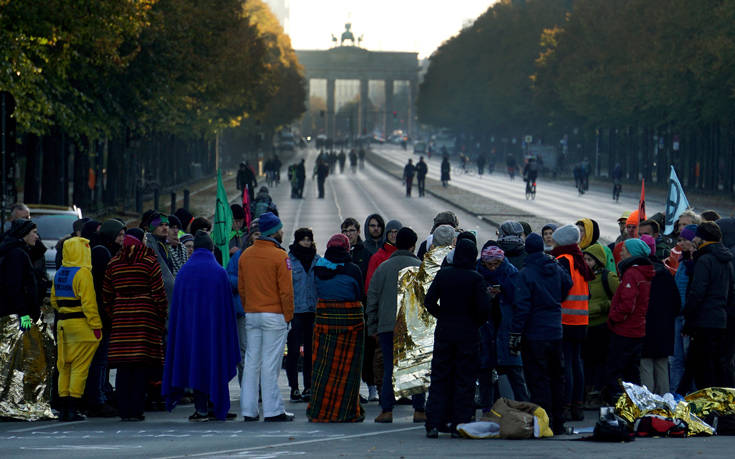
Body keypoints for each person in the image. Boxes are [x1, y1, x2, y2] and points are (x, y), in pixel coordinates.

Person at [162, 231, 240, 421]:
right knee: (217, 364)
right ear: (212, 249)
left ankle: (201, 409)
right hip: (215, 332)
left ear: (194, 248)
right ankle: (218, 406)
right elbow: (227, 307)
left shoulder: (184, 272)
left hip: (191, 332)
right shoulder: (219, 272)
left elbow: (177, 307)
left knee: (196, 365)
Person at [424, 238, 491, 438]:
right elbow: (484, 310)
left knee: (440, 377)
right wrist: (474, 322)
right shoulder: (476, 278)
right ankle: (459, 423)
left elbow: (429, 301)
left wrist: (442, 315)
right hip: (468, 334)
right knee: (465, 379)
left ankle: (434, 422)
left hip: (444, 331)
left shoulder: (443, 275)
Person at [510, 233, 573, 435]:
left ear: (527, 249)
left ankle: (544, 423)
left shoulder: (526, 273)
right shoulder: (554, 267)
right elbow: (568, 284)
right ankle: (559, 422)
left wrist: (516, 332)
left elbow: (522, 307)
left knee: (538, 379)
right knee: (557, 377)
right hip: (555, 329)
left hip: (534, 333)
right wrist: (556, 301)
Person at [103, 228, 168, 421]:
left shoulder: (114, 263)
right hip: (145, 318)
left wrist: (114, 312)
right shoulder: (149, 261)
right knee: (141, 366)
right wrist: (160, 316)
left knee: (124, 367)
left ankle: (124, 410)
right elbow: (159, 293)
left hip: (121, 318)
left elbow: (106, 294)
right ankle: (136, 410)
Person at [239, 212, 295, 422]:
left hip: (252, 314)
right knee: (270, 363)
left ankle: (249, 409)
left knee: (252, 362)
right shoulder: (280, 256)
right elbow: (286, 291)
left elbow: (242, 288)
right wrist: (288, 315)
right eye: (280, 228)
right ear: (274, 231)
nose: (282, 231)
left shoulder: (246, 255)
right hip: (274, 315)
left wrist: (249, 308)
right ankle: (273, 410)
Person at [366, 227, 425, 423]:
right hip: (413, 326)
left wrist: (373, 327)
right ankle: (419, 410)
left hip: (387, 328)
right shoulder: (420, 267)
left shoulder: (383, 268)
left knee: (390, 370)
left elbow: (372, 299)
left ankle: (386, 411)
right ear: (413, 245)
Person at [307, 234, 366, 422]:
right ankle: (347, 410)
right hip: (350, 324)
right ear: (347, 249)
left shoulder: (318, 268)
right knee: (348, 370)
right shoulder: (353, 270)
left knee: (324, 369)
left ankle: (320, 409)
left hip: (325, 322)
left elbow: (315, 291)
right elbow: (359, 294)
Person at [51, 235, 103, 422]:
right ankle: (73, 407)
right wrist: (96, 326)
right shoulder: (83, 273)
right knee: (79, 368)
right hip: (82, 325)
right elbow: (90, 304)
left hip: (63, 325)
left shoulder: (60, 272)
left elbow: (54, 301)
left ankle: (64, 407)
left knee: (64, 365)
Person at [476, 243, 529, 409]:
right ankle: (487, 411)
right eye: (489, 264)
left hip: (506, 329)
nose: (492, 268)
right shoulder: (477, 274)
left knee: (515, 373)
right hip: (485, 329)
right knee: (485, 373)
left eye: (496, 264)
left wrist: (503, 291)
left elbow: (519, 300)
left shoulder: (511, 273)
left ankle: (525, 410)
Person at [683, 222, 734, 389]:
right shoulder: (726, 260)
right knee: (716, 365)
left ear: (701, 238)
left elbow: (697, 293)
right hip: (720, 320)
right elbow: (731, 291)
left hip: (703, 321)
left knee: (701, 368)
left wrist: (688, 318)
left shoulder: (705, 260)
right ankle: (723, 409)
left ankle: (706, 408)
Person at [551, 224, 595, 421]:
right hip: (581, 319)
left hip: (565, 319)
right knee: (577, 362)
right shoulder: (579, 260)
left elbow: (559, 289)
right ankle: (578, 405)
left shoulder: (562, 260)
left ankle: (566, 405)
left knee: (566, 364)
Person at [84, 219, 126, 417]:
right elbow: (104, 286)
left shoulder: (104, 250)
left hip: (102, 313)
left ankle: (101, 394)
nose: (122, 239)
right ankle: (97, 399)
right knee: (99, 360)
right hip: (101, 315)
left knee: (102, 360)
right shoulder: (102, 252)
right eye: (119, 235)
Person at [604, 238, 654, 403]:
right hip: (638, 329)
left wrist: (614, 317)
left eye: (624, 249)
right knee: (632, 371)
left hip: (625, 330)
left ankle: (618, 403)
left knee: (616, 369)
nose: (621, 252)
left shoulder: (632, 274)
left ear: (632, 253)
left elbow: (627, 305)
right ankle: (636, 403)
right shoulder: (643, 273)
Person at [341, 217, 378, 400]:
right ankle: (353, 391)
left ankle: (372, 387)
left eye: (352, 231)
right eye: (346, 231)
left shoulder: (366, 253)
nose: (349, 234)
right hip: (346, 308)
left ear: (358, 232)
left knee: (368, 349)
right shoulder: (338, 253)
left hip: (363, 307)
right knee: (350, 352)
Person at [640, 235, 680, 395]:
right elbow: (676, 302)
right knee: (662, 365)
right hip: (664, 328)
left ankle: (649, 405)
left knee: (645, 365)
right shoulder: (664, 272)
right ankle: (664, 403)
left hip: (645, 325)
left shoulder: (641, 272)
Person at [581, 243, 619, 409]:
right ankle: (587, 394)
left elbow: (619, 300)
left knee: (601, 363)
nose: (586, 262)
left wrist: (601, 307)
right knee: (587, 362)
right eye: (585, 259)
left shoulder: (607, 277)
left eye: (589, 259)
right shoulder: (581, 277)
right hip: (585, 326)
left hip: (602, 327)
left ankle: (599, 394)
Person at [286, 228, 319, 402]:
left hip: (312, 312)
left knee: (311, 352)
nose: (306, 242)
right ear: (297, 241)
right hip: (296, 312)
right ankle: (294, 387)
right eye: (303, 239)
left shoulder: (317, 260)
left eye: (309, 239)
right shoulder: (289, 260)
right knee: (293, 352)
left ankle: (309, 386)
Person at [670, 225, 697, 393]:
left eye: (686, 240)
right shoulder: (683, 262)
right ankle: (674, 396)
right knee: (676, 360)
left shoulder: (694, 265)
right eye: (681, 239)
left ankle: (691, 398)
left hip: (687, 317)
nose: (682, 243)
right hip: (677, 316)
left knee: (689, 361)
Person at [364, 219, 403, 291]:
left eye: (396, 232)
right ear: (386, 234)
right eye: (390, 232)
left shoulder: (405, 255)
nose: (393, 235)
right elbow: (370, 283)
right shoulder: (377, 257)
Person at [144, 212, 175, 303]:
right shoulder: (150, 245)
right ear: (152, 227)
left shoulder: (162, 244)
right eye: (160, 225)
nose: (165, 228)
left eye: (167, 225)